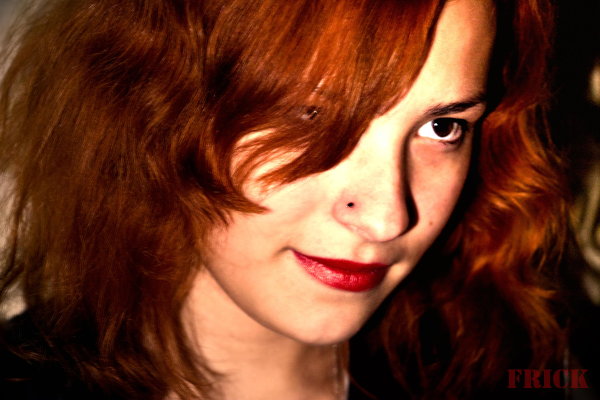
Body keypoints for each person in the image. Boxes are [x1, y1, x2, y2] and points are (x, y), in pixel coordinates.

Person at [0, 0, 568, 399]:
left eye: (442, 127)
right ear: (157, 109)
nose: (386, 217)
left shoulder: (505, 363)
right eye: (306, 113)